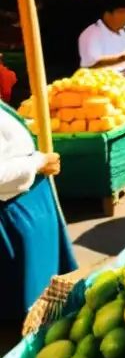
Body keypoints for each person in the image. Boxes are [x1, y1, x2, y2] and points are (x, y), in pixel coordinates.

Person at [0, 103, 76, 321]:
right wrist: (38, 162)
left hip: (31, 202)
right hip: (13, 208)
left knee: (46, 288)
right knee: (26, 294)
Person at [78, 0, 125, 73]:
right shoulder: (91, 33)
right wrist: (123, 57)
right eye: (121, 12)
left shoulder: (120, 31)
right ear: (107, 14)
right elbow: (91, 63)